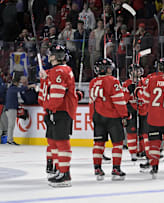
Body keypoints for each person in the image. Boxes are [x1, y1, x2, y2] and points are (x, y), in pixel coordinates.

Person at [38, 44, 79, 187]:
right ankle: (60, 170)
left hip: (60, 111)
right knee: (54, 141)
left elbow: (56, 96)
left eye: (51, 54)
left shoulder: (59, 71)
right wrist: (45, 76)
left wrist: (49, 109)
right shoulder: (58, 70)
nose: (49, 56)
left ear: (55, 56)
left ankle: (65, 174)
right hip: (57, 110)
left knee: (61, 141)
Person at [89, 58, 129, 181]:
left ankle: (97, 168)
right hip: (112, 117)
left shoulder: (93, 82)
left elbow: (91, 102)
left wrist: (92, 117)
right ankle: (116, 168)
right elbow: (118, 100)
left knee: (98, 143)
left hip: (97, 116)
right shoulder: (113, 81)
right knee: (117, 143)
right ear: (107, 69)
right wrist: (125, 115)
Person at [5, 76, 35, 145]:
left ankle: (9, 139)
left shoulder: (11, 88)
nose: (19, 84)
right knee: (11, 125)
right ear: (16, 83)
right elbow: (21, 89)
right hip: (11, 109)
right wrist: (30, 86)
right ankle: (9, 140)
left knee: (11, 125)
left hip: (11, 108)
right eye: (19, 83)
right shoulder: (12, 88)